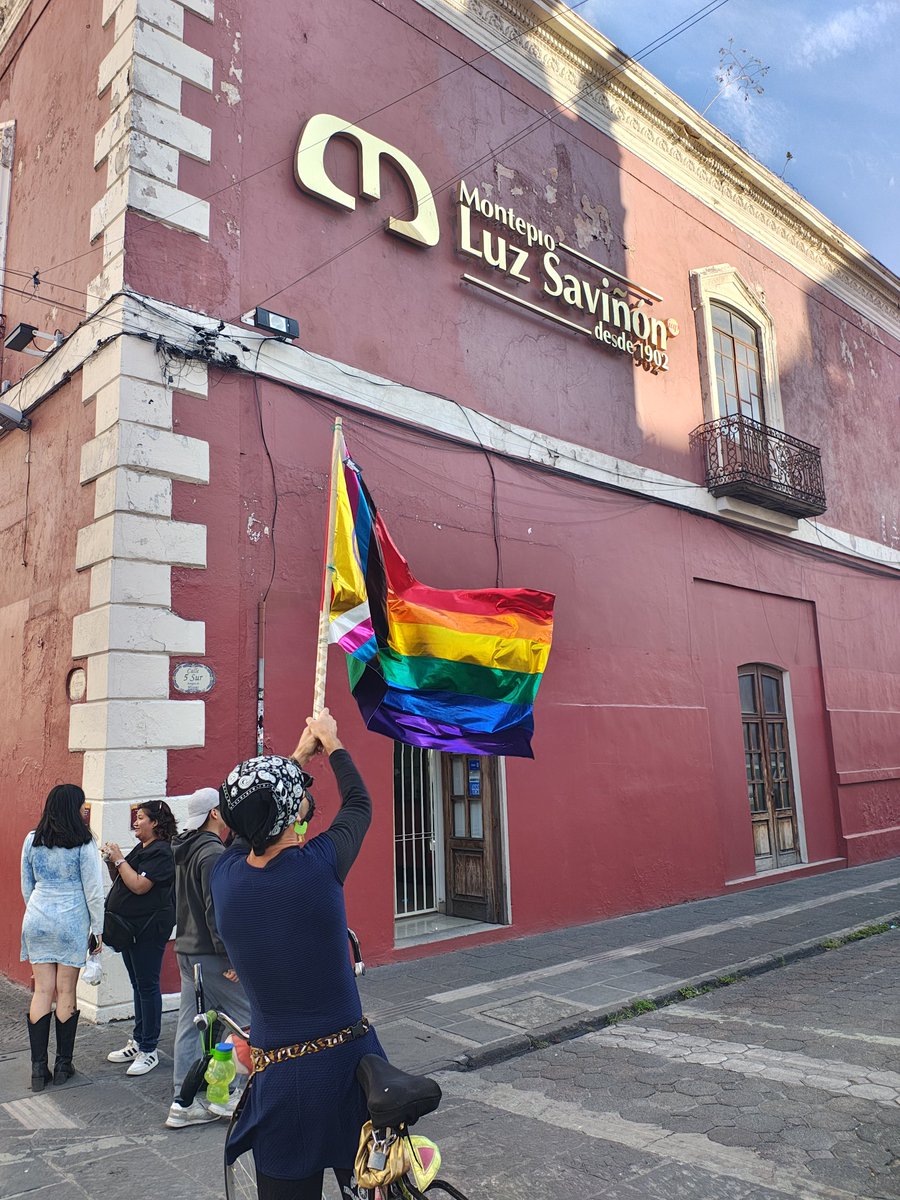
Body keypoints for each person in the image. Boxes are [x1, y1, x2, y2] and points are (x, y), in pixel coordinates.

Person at [211, 708, 384, 1200]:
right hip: (350, 1068)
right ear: (293, 812)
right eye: (301, 791)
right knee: (371, 1184)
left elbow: (250, 820)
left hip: (280, 1077)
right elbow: (359, 803)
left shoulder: (225, 878)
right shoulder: (319, 867)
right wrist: (331, 743)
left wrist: (299, 755)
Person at [166, 786, 251, 1129]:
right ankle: (229, 1093)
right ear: (215, 813)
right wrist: (232, 957)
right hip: (211, 953)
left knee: (190, 1025)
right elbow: (217, 911)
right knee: (246, 1020)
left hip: (187, 950)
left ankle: (182, 1101)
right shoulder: (213, 852)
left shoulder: (184, 848)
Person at [20, 784, 104, 1091]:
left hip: (38, 916)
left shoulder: (32, 839)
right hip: (72, 919)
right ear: (73, 808)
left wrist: (38, 910)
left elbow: (26, 885)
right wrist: (98, 929)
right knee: (66, 990)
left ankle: (37, 1069)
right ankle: (63, 1065)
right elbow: (93, 890)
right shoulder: (84, 843)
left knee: (42, 990)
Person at [101, 800, 177, 1077]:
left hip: (148, 930)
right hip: (130, 930)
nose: (136, 821)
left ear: (155, 822)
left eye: (141, 817)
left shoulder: (162, 852)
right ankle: (139, 1040)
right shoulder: (142, 848)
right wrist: (112, 862)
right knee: (138, 984)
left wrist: (120, 859)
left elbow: (139, 885)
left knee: (147, 985)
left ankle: (149, 1049)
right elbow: (123, 880)